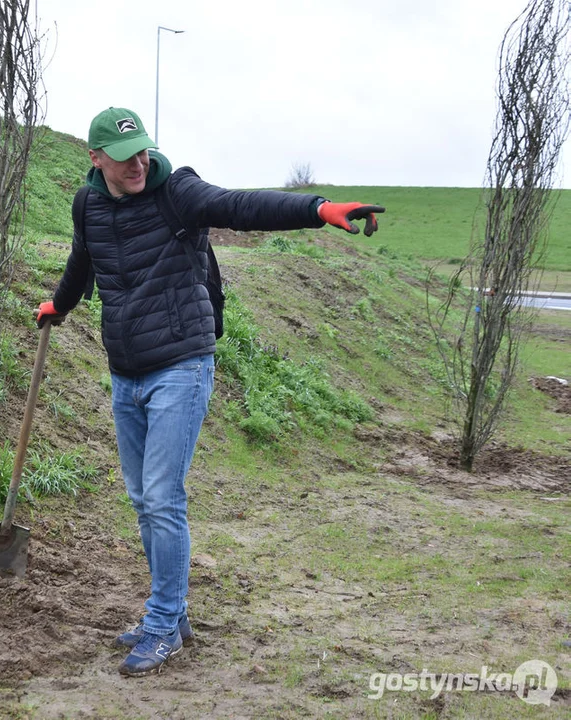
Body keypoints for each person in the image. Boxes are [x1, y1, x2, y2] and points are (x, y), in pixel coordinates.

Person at [35, 107, 383, 678]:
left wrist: (319, 209)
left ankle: (163, 623)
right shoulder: (88, 204)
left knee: (162, 495)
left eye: (143, 151)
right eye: (124, 158)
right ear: (96, 159)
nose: (139, 163)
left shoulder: (179, 192)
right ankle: (171, 615)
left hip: (181, 363)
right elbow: (84, 260)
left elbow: (243, 206)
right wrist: (60, 304)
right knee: (143, 499)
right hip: (126, 371)